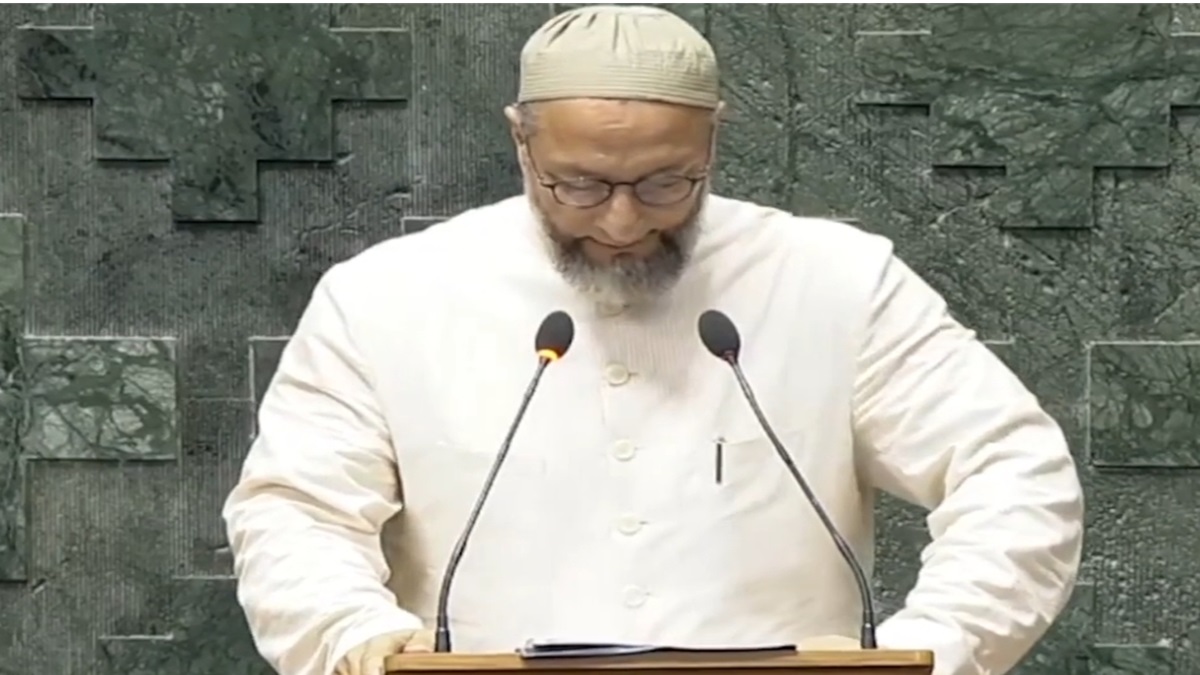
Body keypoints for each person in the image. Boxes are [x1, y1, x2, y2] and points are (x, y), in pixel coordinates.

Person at [222, 6, 1085, 675]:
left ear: (713, 137)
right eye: (579, 185)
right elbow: (295, 511)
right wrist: (355, 634)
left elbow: (1015, 472)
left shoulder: (838, 281)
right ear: (521, 141)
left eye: (668, 183)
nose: (623, 220)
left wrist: (932, 644)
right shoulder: (386, 296)